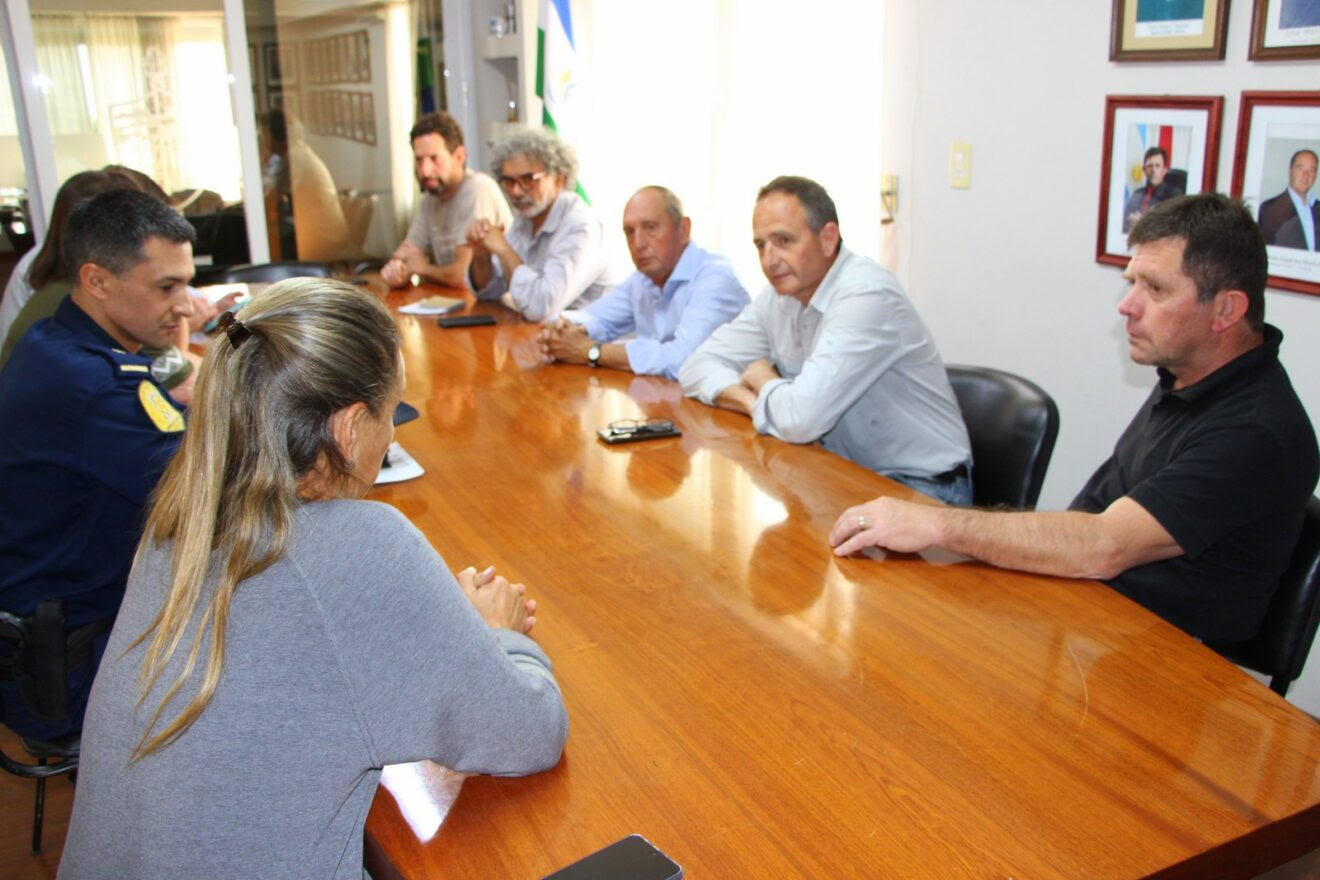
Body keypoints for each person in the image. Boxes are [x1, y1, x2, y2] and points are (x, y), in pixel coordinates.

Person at [58, 279, 568, 879]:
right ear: (349, 429)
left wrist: (430, 621)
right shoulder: (359, 540)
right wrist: (495, 636)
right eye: (390, 413)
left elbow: (296, 660)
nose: (393, 435)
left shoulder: (179, 524)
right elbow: (527, 734)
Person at [831, 194, 1319, 645]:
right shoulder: (1187, 374)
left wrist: (937, 525)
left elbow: (1104, 544)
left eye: (1155, 288)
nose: (1127, 306)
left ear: (1227, 310)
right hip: (1090, 616)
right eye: (1132, 283)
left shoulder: (1257, 431)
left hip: (1165, 667)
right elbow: (1094, 516)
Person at [0, 189, 196, 741]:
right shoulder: (90, 387)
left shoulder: (64, 341)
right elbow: (208, 494)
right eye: (167, 287)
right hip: (69, 665)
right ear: (97, 280)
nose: (185, 305)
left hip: (76, 629)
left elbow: (166, 391)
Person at [679, 176, 972, 505]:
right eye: (761, 245)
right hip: (838, 472)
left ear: (828, 238)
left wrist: (763, 380)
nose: (769, 260)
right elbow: (694, 367)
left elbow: (801, 421)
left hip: (922, 490)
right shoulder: (780, 297)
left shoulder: (866, 294)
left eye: (783, 241)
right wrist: (751, 403)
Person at [538, 186, 748, 380]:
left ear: (683, 229)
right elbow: (597, 318)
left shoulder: (715, 278)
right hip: (670, 405)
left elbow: (682, 361)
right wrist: (559, 329)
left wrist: (590, 351)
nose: (638, 243)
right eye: (629, 232)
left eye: (650, 228)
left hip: (729, 412)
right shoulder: (643, 279)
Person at [467, 126, 612, 321]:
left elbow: (542, 307)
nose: (517, 191)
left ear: (559, 180)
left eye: (528, 179)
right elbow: (489, 293)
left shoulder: (581, 226)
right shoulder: (525, 220)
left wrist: (504, 250)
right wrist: (481, 254)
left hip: (592, 345)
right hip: (546, 339)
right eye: (509, 181)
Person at [381, 111, 512, 289]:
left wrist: (423, 268)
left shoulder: (477, 189)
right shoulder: (430, 198)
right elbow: (407, 253)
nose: (425, 171)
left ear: (459, 156)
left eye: (434, 159)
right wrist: (398, 269)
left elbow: (464, 278)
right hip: (454, 305)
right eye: (419, 160)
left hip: (496, 308)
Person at [1259, 149, 1318, 249]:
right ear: (1290, 171)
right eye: (1300, 168)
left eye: (1311, 170)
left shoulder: (1317, 208)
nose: (1306, 175)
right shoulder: (1269, 208)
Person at [1123, 146, 1183, 233]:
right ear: (1144, 170)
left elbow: (1173, 226)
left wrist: (1142, 223)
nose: (1153, 170)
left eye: (1157, 166)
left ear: (1164, 170)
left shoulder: (1174, 194)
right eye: (1149, 166)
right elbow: (1124, 223)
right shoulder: (1137, 194)